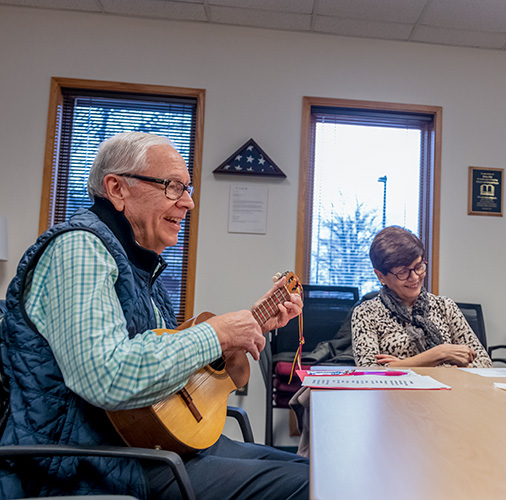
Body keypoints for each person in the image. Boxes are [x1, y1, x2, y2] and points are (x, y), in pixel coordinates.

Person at [0, 132, 309, 499]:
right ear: (116, 189)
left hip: (153, 449)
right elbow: (108, 377)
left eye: (188, 189)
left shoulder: (140, 266)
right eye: (173, 186)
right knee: (314, 485)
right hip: (89, 465)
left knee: (317, 470)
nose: (189, 203)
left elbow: (166, 374)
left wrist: (245, 331)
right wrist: (217, 334)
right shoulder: (78, 249)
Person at [351, 226, 492, 368]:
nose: (414, 277)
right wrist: (440, 353)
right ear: (381, 276)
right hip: (397, 390)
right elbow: (369, 371)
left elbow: (484, 364)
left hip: (448, 389)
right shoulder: (366, 313)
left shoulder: (444, 306)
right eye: (403, 272)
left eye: (418, 267)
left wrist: (400, 365)